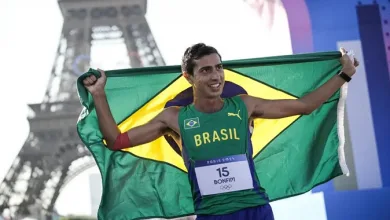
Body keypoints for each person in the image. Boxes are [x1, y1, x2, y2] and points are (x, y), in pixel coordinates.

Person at [82, 43, 359, 220]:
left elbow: (306, 105)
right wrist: (99, 95)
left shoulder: (244, 106)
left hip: (255, 210)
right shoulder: (175, 118)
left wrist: (344, 74)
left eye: (219, 68)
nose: (215, 76)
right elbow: (116, 141)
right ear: (188, 76)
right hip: (213, 215)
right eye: (205, 71)